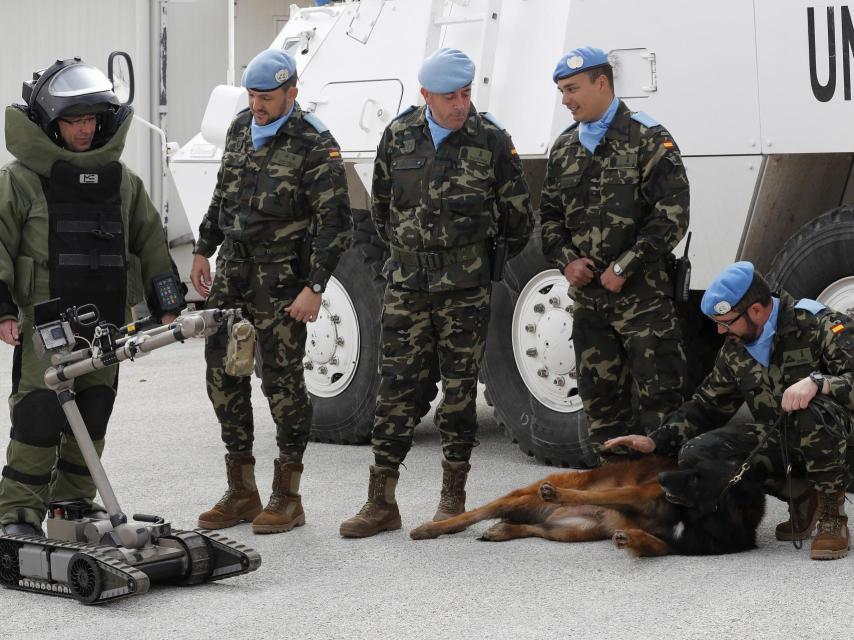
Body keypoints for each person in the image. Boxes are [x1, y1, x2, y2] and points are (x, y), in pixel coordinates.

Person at [339, 48, 533, 538]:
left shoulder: (491, 140)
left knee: (459, 392)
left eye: (466, 94)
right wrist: (411, 255)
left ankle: (452, 499)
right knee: (395, 389)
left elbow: (518, 219)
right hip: (406, 285)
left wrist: (474, 263)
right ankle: (381, 501)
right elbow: (381, 209)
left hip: (464, 290)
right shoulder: (398, 136)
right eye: (450, 97)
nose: (460, 105)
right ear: (425, 95)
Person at [0, 57, 181, 535]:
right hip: (44, 324)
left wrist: (167, 303)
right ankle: (17, 511)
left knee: (94, 410)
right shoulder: (18, 180)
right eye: (73, 121)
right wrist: (2, 310)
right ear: (49, 125)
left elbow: (151, 243)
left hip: (108, 321)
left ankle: (72, 502)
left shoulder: (123, 183)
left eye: (90, 120)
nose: (83, 131)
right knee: (40, 413)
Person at [191, 49, 351, 535]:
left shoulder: (314, 143)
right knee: (223, 375)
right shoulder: (241, 127)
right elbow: (223, 192)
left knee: (281, 384)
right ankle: (241, 490)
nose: (258, 106)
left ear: (292, 93)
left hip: (281, 281)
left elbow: (335, 223)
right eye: (253, 96)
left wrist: (315, 287)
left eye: (267, 98)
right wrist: (203, 248)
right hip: (233, 273)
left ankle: (287, 496)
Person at [607, 261, 854, 560]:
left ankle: (832, 517)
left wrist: (818, 382)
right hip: (783, 439)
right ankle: (801, 493)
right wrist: (656, 440)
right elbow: (707, 405)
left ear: (757, 311)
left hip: (839, 441)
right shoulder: (735, 349)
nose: (720, 330)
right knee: (696, 453)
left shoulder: (818, 325)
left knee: (809, 408)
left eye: (726, 322)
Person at [539, 46, 690, 464]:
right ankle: (616, 496)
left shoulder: (647, 138)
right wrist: (566, 260)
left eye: (572, 88)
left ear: (601, 82)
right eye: (561, 91)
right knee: (603, 410)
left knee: (660, 405)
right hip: (590, 308)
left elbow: (672, 214)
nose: (566, 99)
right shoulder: (565, 147)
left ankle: (665, 502)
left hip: (643, 305)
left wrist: (626, 266)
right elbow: (548, 217)